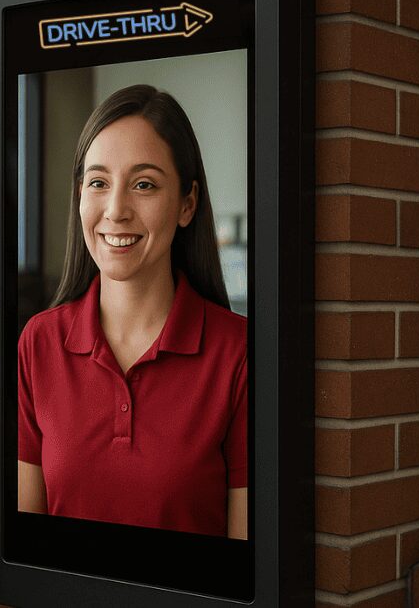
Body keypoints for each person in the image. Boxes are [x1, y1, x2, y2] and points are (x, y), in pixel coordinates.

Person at [17, 84, 248, 539]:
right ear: (80, 195)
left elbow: (246, 558)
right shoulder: (39, 343)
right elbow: (29, 546)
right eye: (98, 183)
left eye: (144, 185)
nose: (116, 210)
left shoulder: (237, 353)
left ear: (187, 204)